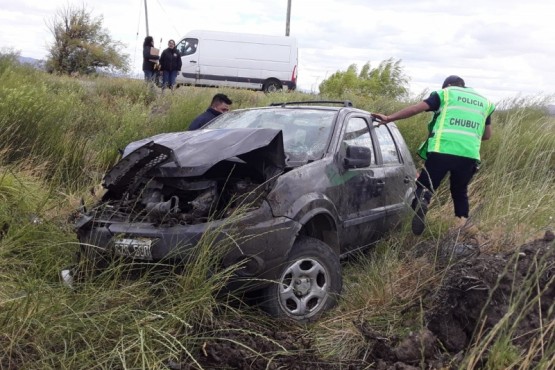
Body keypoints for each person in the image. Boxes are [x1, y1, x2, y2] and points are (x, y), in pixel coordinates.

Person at [372, 75, 495, 236]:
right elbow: (487, 135)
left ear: (448, 85)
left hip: (441, 149)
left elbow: (416, 108)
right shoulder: (485, 102)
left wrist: (389, 118)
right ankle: (463, 225)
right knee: (460, 191)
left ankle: (422, 203)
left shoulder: (445, 94)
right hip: (468, 154)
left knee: (424, 187)